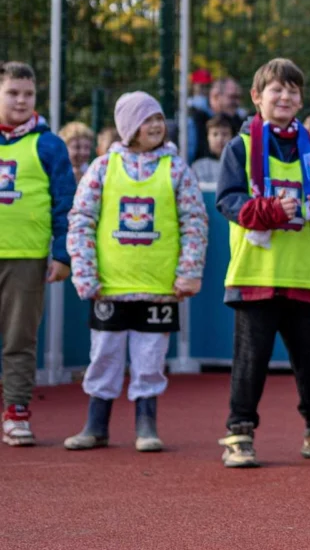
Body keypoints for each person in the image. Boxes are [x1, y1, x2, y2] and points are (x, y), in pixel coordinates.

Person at [214, 58, 310, 468]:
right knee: (250, 362)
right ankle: (239, 433)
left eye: (293, 90)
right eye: (277, 89)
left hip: (303, 274)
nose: (285, 96)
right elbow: (228, 201)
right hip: (254, 274)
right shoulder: (240, 147)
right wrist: (270, 210)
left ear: (301, 100)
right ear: (257, 97)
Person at [63, 92, 206, 452]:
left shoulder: (177, 169)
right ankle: (96, 425)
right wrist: (84, 273)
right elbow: (81, 221)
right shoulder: (102, 168)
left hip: (159, 288)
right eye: (146, 120)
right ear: (128, 128)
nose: (156, 125)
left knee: (150, 360)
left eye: (158, 118)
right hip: (109, 286)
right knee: (104, 356)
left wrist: (189, 271)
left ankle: (146, 425)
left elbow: (194, 223)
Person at [0, 62, 74, 447]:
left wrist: (62, 255)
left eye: (28, 94)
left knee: (19, 339)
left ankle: (16, 412)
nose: (21, 100)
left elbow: (65, 204)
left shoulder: (49, 145)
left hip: (26, 258)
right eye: (13, 93)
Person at [187, 76, 244, 162]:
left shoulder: (237, 120)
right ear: (215, 96)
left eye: (239, 98)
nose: (237, 102)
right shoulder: (195, 119)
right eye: (232, 97)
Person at [190, 115, 236, 185]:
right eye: (215, 134)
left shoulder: (238, 166)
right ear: (208, 137)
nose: (220, 139)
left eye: (224, 134)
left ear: (232, 137)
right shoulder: (198, 167)